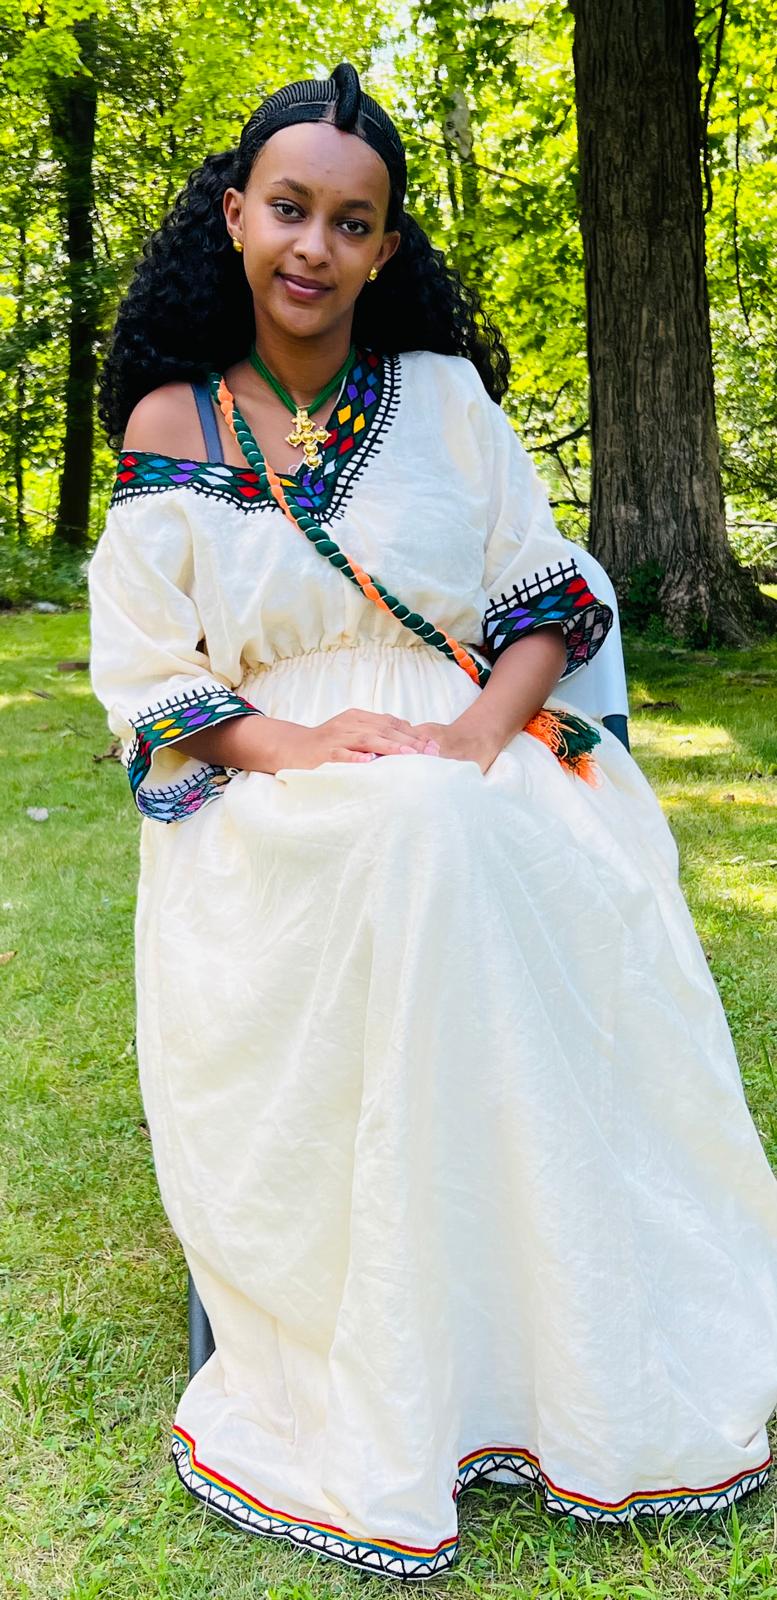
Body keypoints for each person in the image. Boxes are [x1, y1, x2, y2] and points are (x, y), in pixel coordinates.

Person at [88, 61, 777, 1582]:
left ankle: (548, 1335)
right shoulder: (167, 419)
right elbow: (152, 678)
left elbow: (540, 599)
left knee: (442, 830)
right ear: (235, 216)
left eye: (351, 221)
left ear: (387, 247)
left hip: (466, 752)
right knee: (400, 836)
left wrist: (470, 734)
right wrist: (293, 738)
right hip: (273, 785)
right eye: (288, 210)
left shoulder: (447, 403)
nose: (313, 247)